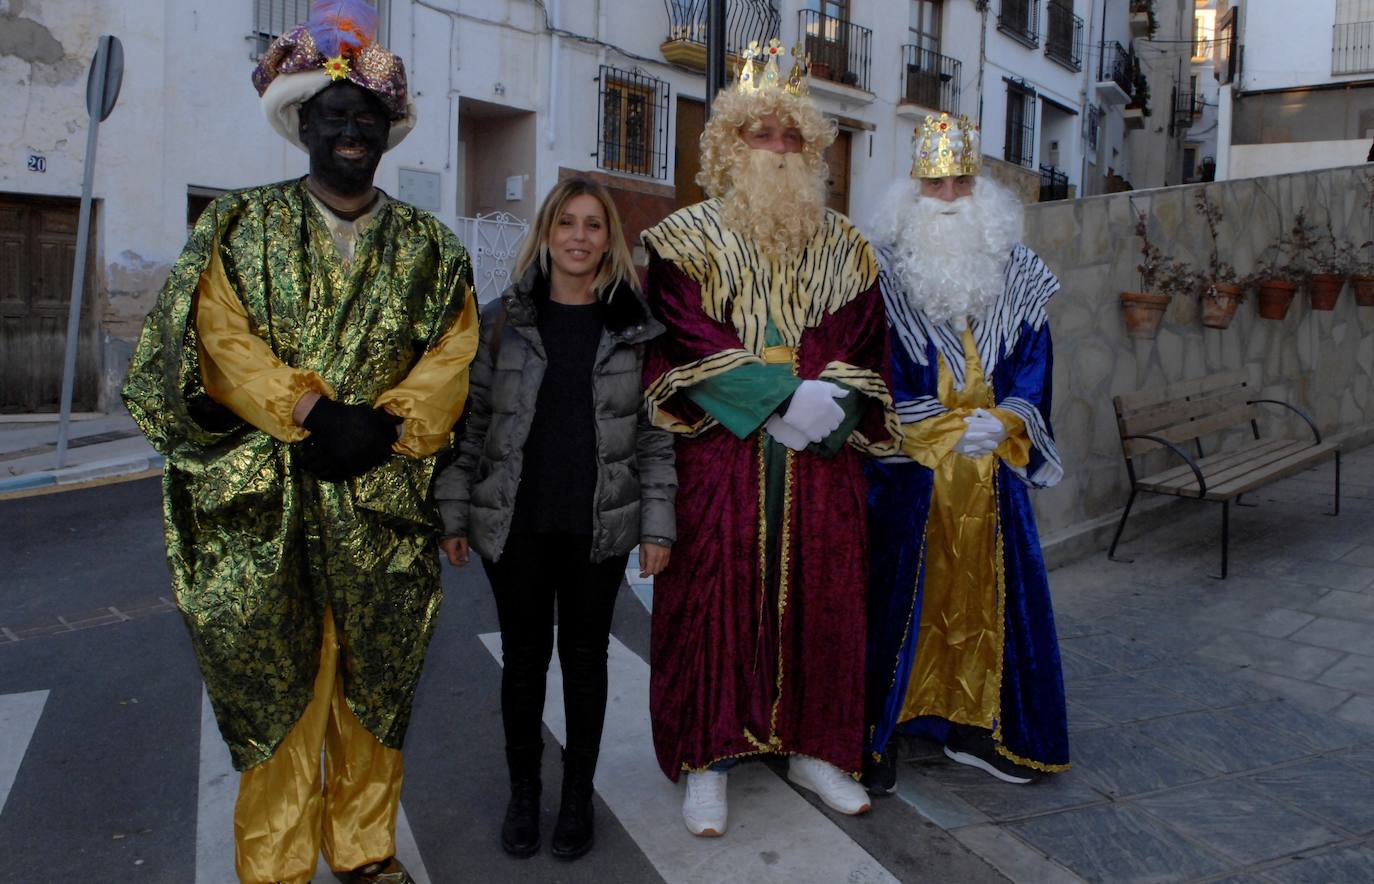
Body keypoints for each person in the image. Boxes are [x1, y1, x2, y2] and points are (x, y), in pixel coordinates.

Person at [121, 3, 478, 882]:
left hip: (383, 500)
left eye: (367, 118)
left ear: (387, 132)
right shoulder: (240, 226)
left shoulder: (432, 244)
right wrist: (316, 414)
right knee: (277, 686)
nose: (352, 131)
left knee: (377, 686)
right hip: (260, 507)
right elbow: (213, 338)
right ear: (303, 123)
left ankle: (363, 851)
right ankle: (276, 865)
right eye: (335, 116)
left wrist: (385, 425)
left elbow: (453, 352)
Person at [640, 40, 900, 837]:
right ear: (729, 145)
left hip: (821, 457)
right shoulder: (682, 239)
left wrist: (824, 399)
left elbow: (863, 334)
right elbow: (683, 333)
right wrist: (779, 395)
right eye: (762, 134)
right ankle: (707, 759)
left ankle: (816, 748)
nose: (779, 151)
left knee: (825, 600)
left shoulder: (847, 247)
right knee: (710, 601)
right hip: (723, 453)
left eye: (793, 137)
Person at [433, 176, 676, 861]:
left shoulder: (635, 326)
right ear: (546, 233)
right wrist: (454, 513)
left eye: (593, 225)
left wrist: (657, 526)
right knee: (523, 664)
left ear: (609, 241)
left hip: (597, 524)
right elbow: (470, 425)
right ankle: (523, 793)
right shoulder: (503, 320)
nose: (578, 236)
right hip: (515, 524)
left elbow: (657, 435)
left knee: (586, 661)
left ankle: (575, 797)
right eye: (565, 222)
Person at [861, 113, 1069, 794]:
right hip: (909, 478)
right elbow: (874, 372)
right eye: (935, 183)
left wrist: (1009, 417)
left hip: (992, 474)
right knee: (897, 601)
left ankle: (978, 727)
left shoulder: (1018, 269)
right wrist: (946, 430)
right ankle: (878, 730)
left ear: (979, 185)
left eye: (959, 181)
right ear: (913, 187)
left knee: (988, 606)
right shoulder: (881, 273)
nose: (949, 197)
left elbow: (1036, 357)